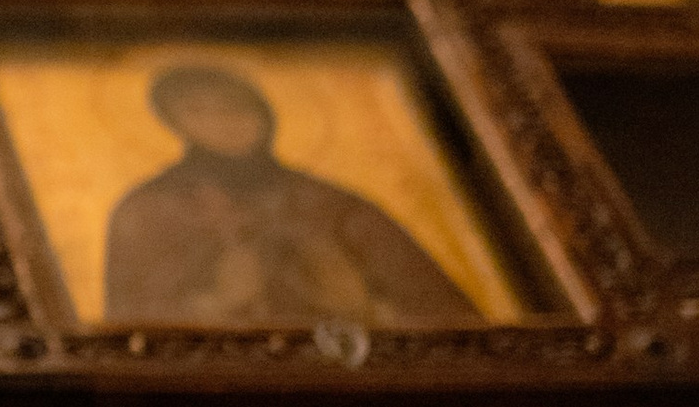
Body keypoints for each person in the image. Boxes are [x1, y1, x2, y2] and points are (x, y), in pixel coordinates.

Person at [103, 61, 478, 328]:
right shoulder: (148, 211)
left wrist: (365, 308)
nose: (223, 121)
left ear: (264, 113)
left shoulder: (336, 207)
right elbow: (124, 333)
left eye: (235, 106)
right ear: (176, 123)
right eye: (199, 111)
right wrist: (216, 304)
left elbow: (455, 325)